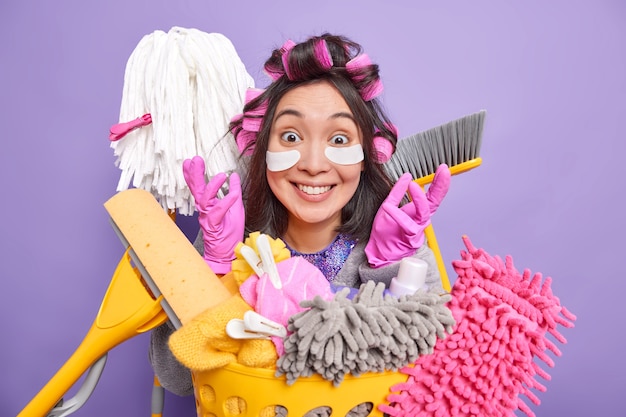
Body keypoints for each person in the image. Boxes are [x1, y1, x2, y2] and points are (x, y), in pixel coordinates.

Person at [149, 32, 451, 397]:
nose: (312, 165)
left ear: (366, 152)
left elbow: (434, 372)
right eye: (291, 137)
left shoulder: (398, 240)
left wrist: (393, 264)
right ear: (262, 148)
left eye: (338, 140)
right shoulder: (225, 235)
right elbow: (176, 379)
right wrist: (215, 269)